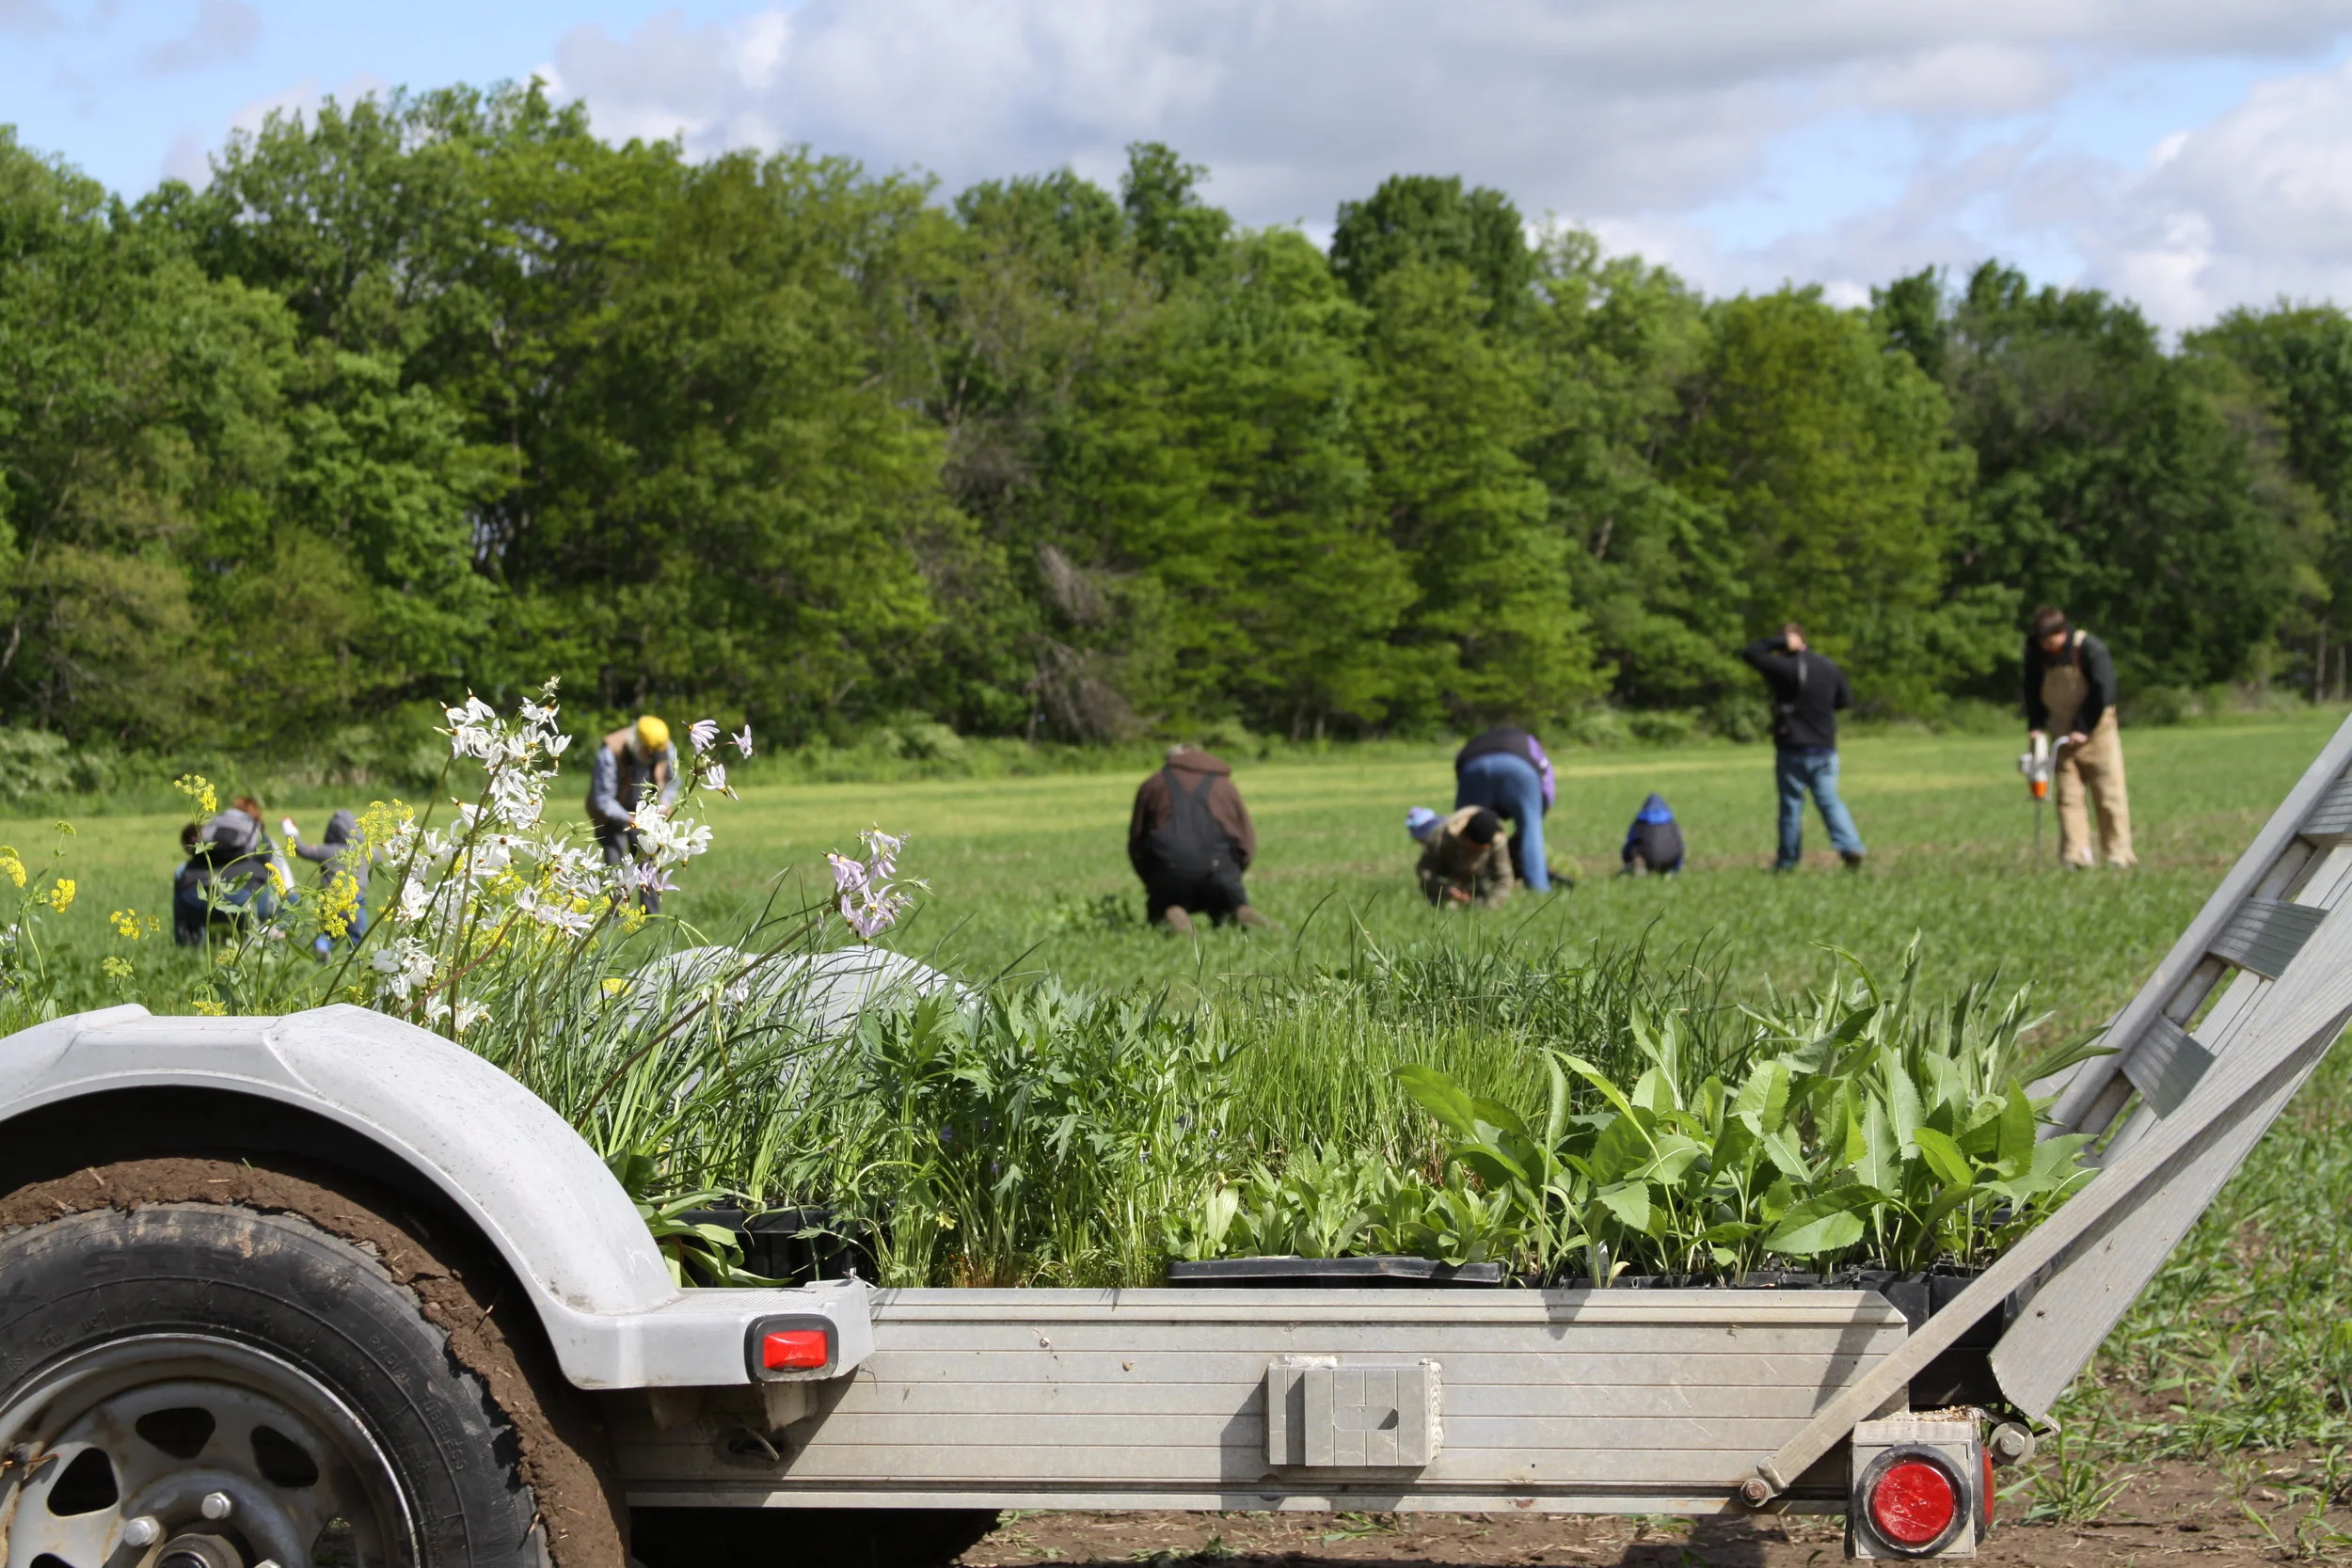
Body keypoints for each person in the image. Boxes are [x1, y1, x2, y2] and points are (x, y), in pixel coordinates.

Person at [1740, 623, 1866, 872]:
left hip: (1793, 747)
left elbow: (1750, 653)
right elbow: (1845, 700)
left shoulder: (1784, 668)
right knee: (1829, 801)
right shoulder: (1828, 666)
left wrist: (1778, 643)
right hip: (1825, 747)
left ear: (1786, 643)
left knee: (1791, 807)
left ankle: (1787, 862)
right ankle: (1850, 846)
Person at [2023, 606, 2136, 869]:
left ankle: (2119, 854)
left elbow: (2104, 690)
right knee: (2068, 797)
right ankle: (2076, 856)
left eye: (2050, 642)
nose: (2047, 648)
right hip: (2060, 733)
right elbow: (2031, 689)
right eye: (2042, 643)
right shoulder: (2037, 655)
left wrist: (2083, 728)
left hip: (2098, 732)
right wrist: (2036, 725)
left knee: (2109, 794)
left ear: (2062, 633)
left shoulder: (2089, 649)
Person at [1127, 745, 1266, 934]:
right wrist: (1233, 873)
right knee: (1229, 903)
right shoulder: (1225, 786)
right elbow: (1246, 840)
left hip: (1170, 869)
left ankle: (1174, 913)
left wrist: (1151, 880)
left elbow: (1137, 842)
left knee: (1168, 902)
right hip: (1220, 867)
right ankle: (1242, 912)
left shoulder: (1152, 784)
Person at [588, 716, 681, 910]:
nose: (651, 757)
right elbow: (603, 799)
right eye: (648, 753)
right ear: (639, 744)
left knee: (648, 865)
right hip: (613, 815)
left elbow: (673, 781)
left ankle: (650, 915)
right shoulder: (610, 752)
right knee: (615, 866)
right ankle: (613, 915)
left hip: (647, 817)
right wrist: (631, 818)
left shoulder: (666, 747)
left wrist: (663, 804)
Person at [1453, 726, 1562, 892]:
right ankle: (1538, 888)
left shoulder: (1477, 741)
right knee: (1531, 831)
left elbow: (1459, 766)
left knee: (1463, 829)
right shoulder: (1529, 741)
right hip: (1520, 769)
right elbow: (1547, 786)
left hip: (1473, 768)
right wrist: (1535, 816)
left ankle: (1461, 886)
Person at [283, 809, 371, 958]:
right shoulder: (365, 852)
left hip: (331, 902)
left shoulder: (328, 851)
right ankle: (358, 962)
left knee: (327, 932)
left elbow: (302, 849)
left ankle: (323, 948)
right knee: (358, 938)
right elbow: (378, 859)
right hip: (356, 903)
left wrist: (289, 829)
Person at [1409, 805, 1514, 907]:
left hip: (1479, 887)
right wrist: (1447, 890)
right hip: (1444, 887)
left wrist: (1490, 905)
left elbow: (1504, 876)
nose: (1482, 850)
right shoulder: (1441, 837)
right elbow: (1425, 871)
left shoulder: (1497, 842)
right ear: (1466, 838)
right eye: (1477, 849)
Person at [1619, 793, 1684, 876]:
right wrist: (1677, 866)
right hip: (1671, 861)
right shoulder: (1672, 823)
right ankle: (1669, 872)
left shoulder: (1639, 823)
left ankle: (1640, 871)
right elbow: (1680, 845)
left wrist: (1627, 859)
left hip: (1649, 861)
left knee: (1635, 848)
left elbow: (1629, 843)